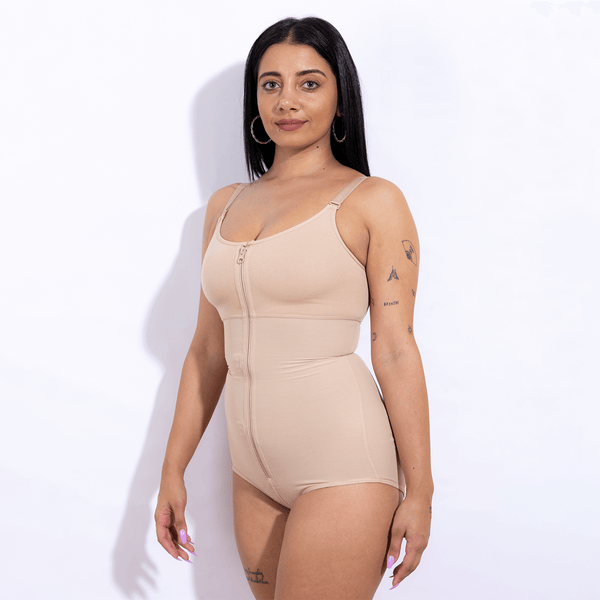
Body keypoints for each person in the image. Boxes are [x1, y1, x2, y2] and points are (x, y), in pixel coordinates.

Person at [154, 16, 433, 600]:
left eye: (309, 83)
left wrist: (421, 491)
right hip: (251, 475)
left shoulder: (372, 201)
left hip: (344, 464)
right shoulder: (224, 206)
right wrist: (172, 469)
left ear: (340, 96)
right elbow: (207, 350)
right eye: (270, 84)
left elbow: (395, 347)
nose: (287, 100)